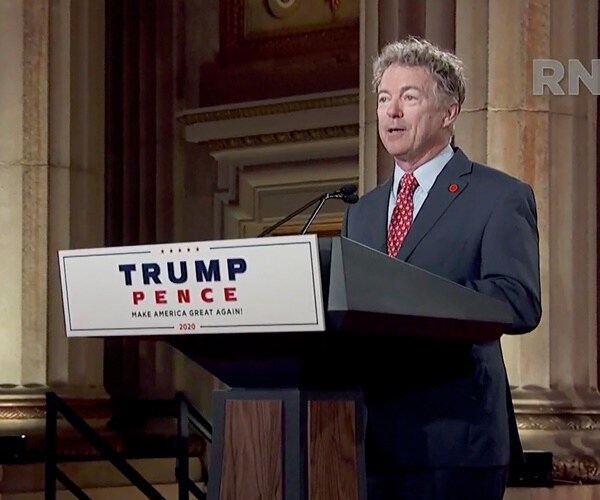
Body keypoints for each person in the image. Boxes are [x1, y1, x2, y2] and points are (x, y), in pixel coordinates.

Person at [342, 37, 542, 499]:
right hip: (369, 444)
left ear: (449, 112)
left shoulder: (499, 197)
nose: (392, 113)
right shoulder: (362, 212)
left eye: (409, 98)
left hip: (457, 442)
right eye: (384, 99)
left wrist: (415, 297)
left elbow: (519, 301)